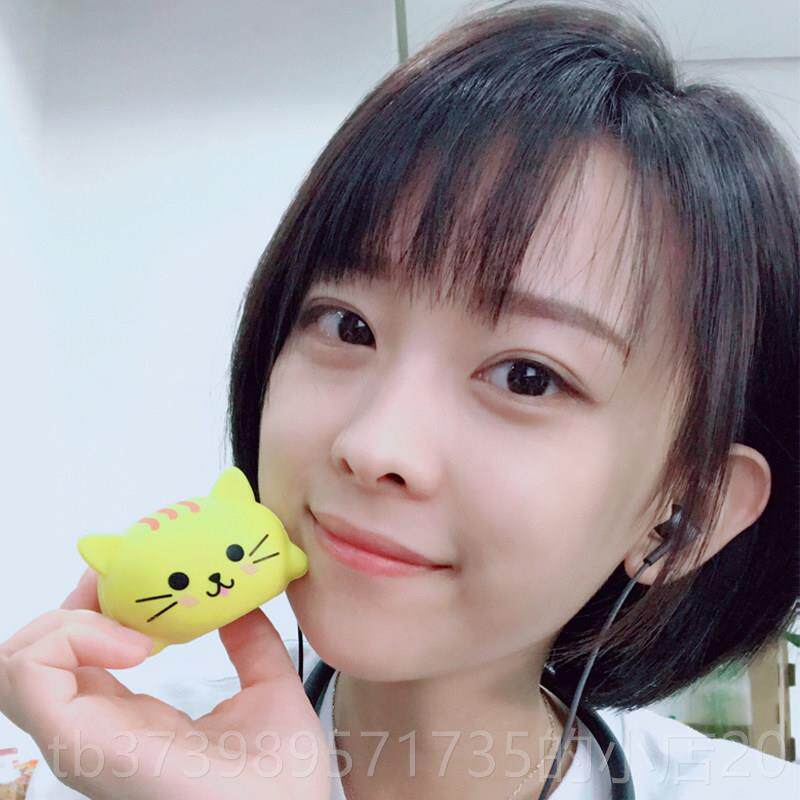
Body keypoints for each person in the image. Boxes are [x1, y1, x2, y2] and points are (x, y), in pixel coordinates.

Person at [3, 1, 798, 798]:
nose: (373, 444)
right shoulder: (113, 762)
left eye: (527, 376)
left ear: (684, 513)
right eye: (346, 325)